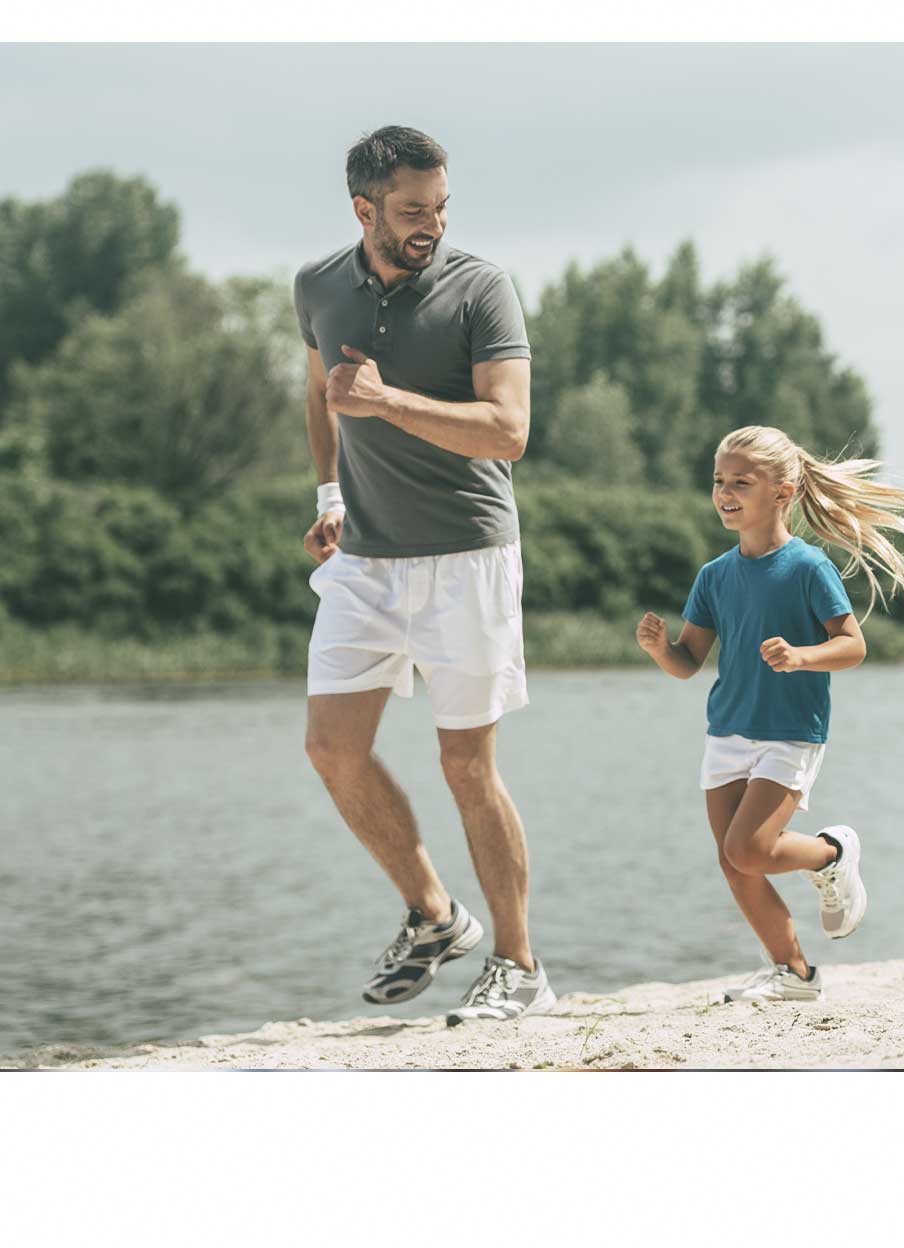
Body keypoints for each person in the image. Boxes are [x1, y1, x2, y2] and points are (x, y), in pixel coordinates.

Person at [293, 126, 554, 1025]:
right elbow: (321, 389)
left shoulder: (482, 288)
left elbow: (508, 432)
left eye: (440, 209)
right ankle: (437, 915)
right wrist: (331, 490)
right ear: (363, 209)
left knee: (466, 767)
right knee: (331, 748)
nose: (430, 226)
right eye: (411, 212)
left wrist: (387, 402)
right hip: (364, 558)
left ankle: (519, 967)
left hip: (467, 558)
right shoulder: (319, 286)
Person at [635, 425, 904, 1003]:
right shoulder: (714, 575)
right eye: (718, 481)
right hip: (727, 732)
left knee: (751, 849)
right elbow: (688, 662)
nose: (725, 492)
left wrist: (802, 655)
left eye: (741, 481)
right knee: (736, 865)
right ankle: (796, 976)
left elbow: (853, 645)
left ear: (782, 492)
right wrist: (662, 649)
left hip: (790, 732)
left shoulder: (808, 567)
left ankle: (832, 853)